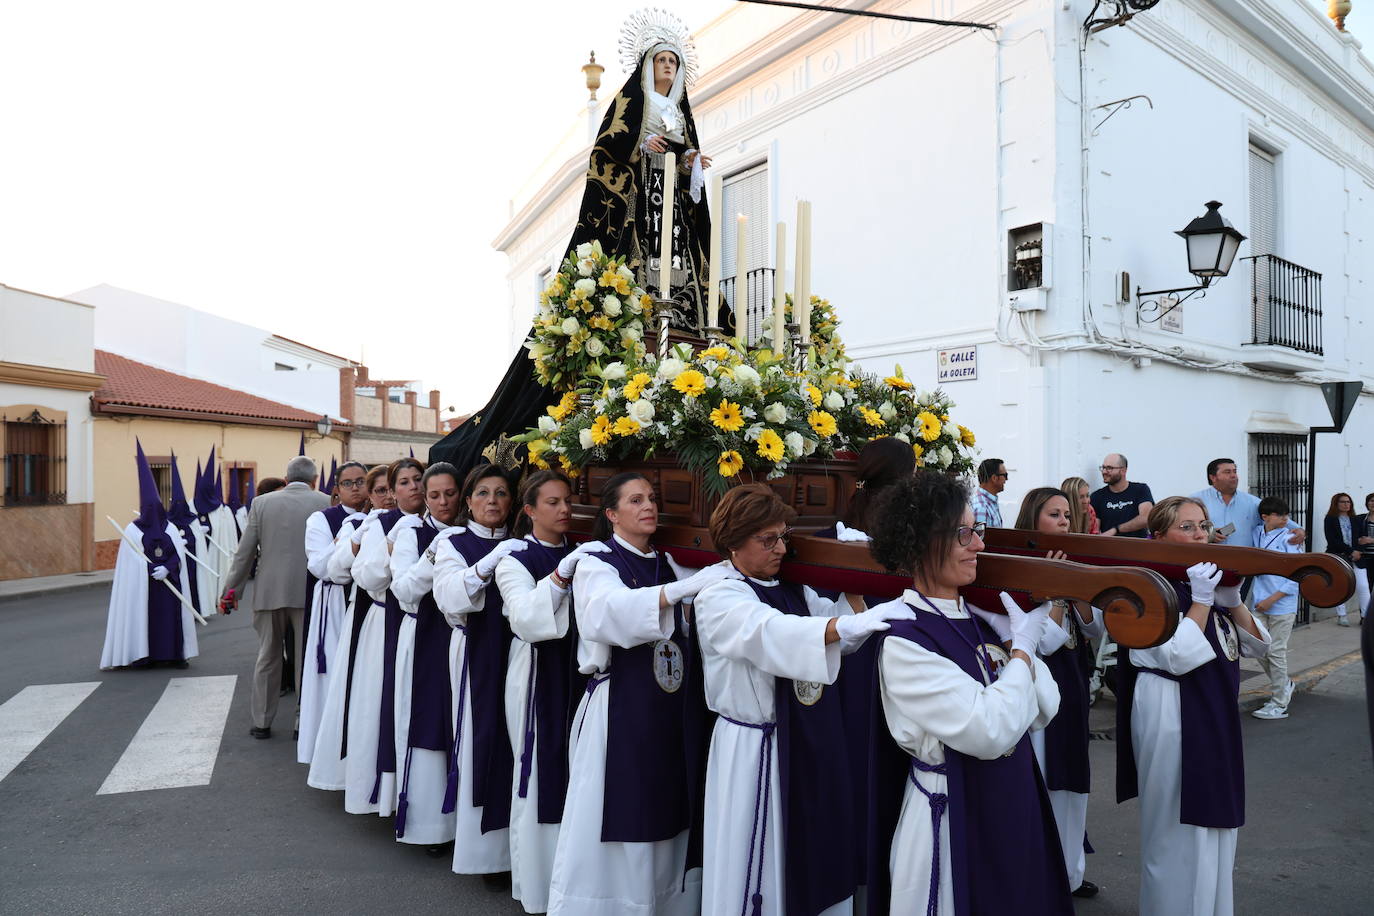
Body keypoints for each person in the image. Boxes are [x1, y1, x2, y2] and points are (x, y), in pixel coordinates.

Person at [428, 8, 713, 472]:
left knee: (681, 264)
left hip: (673, 217)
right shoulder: (630, 105)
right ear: (646, 65)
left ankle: (680, 308)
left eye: (674, 63)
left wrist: (689, 164)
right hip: (638, 216)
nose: (668, 68)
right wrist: (640, 150)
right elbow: (605, 154)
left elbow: (687, 166)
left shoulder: (680, 115)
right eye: (662, 60)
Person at [864, 471, 1070, 915]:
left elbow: (1046, 708)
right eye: (963, 534)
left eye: (977, 530)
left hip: (1011, 798)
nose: (978, 544)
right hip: (951, 809)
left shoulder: (977, 618)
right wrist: (1021, 651)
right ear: (920, 542)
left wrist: (1014, 643)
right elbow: (987, 731)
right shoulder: (904, 638)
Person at [694, 484, 904, 916]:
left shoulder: (792, 588)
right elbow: (767, 633)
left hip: (805, 738)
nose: (780, 548)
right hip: (754, 744)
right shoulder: (720, 593)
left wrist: (857, 587)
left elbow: (835, 636)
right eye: (767, 539)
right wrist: (846, 627)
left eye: (783, 536)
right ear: (733, 541)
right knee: (758, 855)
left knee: (813, 847)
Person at [547, 472, 736, 916]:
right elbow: (605, 614)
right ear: (611, 514)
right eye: (635, 500)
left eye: (651, 498)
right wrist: (678, 592)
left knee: (668, 803)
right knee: (620, 808)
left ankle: (664, 903)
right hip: (619, 707)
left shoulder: (669, 561)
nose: (648, 506)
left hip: (669, 706)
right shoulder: (597, 560)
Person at [1115, 496, 1270, 916]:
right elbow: (1178, 657)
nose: (1199, 534)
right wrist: (1201, 602)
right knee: (1174, 833)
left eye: (1202, 525)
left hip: (1212, 716)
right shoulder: (1143, 587)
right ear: (1158, 535)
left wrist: (1231, 599)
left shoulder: (1199, 585)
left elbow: (1259, 647)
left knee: (1212, 831)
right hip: (1170, 712)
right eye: (1187, 527)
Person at [486, 470, 585, 914]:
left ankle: (575, 879)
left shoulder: (586, 551)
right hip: (537, 672)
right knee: (537, 772)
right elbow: (525, 618)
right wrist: (561, 578)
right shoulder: (515, 558)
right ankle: (537, 885)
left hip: (579, 673)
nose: (564, 509)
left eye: (567, 501)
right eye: (552, 502)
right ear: (528, 510)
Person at [430, 464, 525, 880]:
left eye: (501, 493)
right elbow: (450, 596)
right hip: (477, 651)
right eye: (483, 493)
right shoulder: (453, 542)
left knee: (519, 742)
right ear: (467, 501)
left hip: (520, 653)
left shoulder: (524, 543)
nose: (492, 501)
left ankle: (521, 850)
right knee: (481, 741)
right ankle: (488, 855)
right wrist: (489, 564)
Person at [1014, 487, 1105, 899]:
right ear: (1034, 519)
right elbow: (1042, 641)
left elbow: (1093, 629)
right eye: (1054, 515)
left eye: (1067, 515)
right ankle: (1042, 871)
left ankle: (1070, 869)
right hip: (1038, 689)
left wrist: (1077, 588)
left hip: (1072, 681)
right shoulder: (1018, 569)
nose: (1065, 522)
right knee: (1044, 776)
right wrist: (1053, 589)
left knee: (1071, 778)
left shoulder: (1071, 563)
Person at [222, 455, 331, 739]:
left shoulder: (262, 503)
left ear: (286, 478)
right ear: (315, 480)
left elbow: (245, 553)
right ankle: (301, 722)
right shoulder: (325, 502)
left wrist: (231, 591)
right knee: (305, 659)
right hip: (309, 591)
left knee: (267, 657)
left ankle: (262, 721)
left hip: (269, 592)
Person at [390, 462, 465, 848]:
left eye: (449, 493)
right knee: (430, 722)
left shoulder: (474, 531)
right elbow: (403, 589)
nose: (442, 502)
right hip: (425, 632)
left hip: (466, 637)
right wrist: (434, 553)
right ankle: (433, 826)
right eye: (434, 495)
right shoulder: (412, 534)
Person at [344, 457, 425, 816]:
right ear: (392, 492)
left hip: (426, 626)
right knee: (381, 706)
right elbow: (367, 578)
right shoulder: (383, 523)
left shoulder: (440, 521)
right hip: (385, 623)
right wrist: (389, 547)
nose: (413, 488)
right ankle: (381, 793)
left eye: (417, 479)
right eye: (404, 483)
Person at [100, 440, 200, 671]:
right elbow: (130, 560)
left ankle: (175, 655)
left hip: (168, 585)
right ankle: (144, 655)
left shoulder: (170, 528)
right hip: (143, 587)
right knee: (144, 619)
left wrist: (168, 567)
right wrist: (146, 569)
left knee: (171, 620)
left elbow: (178, 554)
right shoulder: (132, 530)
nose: (153, 513)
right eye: (148, 508)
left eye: (156, 507)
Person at [304, 461, 372, 783]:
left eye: (362, 481)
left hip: (366, 600)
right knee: (334, 673)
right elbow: (318, 565)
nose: (356, 488)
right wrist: (345, 540)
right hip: (334, 602)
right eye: (349, 483)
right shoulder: (322, 519)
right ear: (336, 489)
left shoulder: (380, 515)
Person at [1250, 497, 1303, 720]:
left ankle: (1279, 702)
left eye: (1286, 515)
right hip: (1258, 599)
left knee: (1276, 651)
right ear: (1265, 517)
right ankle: (1284, 684)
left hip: (1281, 602)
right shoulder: (1256, 532)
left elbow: (1297, 573)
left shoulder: (1290, 537)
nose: (1286, 519)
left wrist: (1273, 599)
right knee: (1257, 646)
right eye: (1280, 516)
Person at [1190, 458, 1304, 548]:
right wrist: (1208, 535)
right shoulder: (1195, 501)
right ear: (1213, 477)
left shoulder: (1253, 503)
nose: (1233, 475)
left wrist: (1300, 531)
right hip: (1207, 565)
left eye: (1235, 471)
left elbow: (1285, 521)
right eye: (1227, 472)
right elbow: (1182, 529)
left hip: (1244, 566)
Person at [1090, 453, 1153, 537]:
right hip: (1109, 547)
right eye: (1103, 467)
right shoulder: (1097, 496)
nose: (1104, 471)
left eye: (1109, 468)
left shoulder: (1140, 490)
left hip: (1138, 547)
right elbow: (1095, 529)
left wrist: (1116, 529)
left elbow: (1146, 518)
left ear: (1123, 470)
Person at [1323, 493, 1361, 626]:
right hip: (1338, 555)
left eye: (1348, 502)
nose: (1346, 504)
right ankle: (1342, 615)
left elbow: (1359, 537)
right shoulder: (1330, 519)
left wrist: (1356, 551)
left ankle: (1365, 615)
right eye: (1343, 502)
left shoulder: (1355, 519)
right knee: (1341, 586)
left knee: (1362, 585)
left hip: (1355, 556)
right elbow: (1332, 540)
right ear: (1336, 504)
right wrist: (1351, 551)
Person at [971, 457, 1007, 528]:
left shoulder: (988, 502)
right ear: (994, 478)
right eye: (1005, 475)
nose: (1006, 479)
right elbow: (981, 538)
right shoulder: (982, 507)